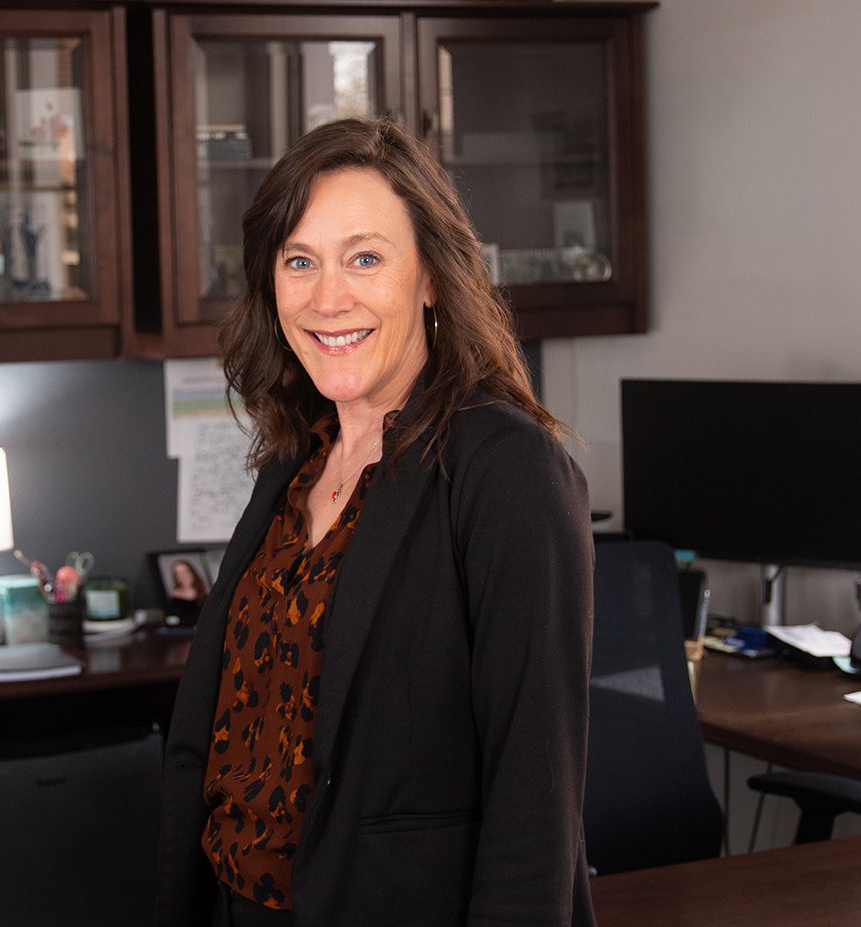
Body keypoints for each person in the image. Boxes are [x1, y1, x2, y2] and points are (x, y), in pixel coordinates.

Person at [157, 117, 595, 927]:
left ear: (431, 276)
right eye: (300, 261)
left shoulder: (506, 468)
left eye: (365, 257)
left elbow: (536, 799)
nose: (329, 297)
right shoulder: (296, 457)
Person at [167, 558, 211, 627]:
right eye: (178, 574)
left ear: (192, 572)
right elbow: (172, 620)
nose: (183, 576)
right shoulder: (174, 598)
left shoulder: (206, 592)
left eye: (185, 572)